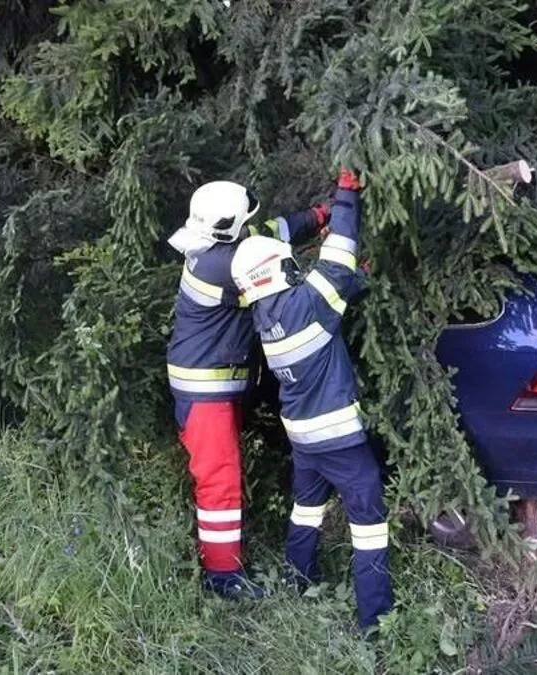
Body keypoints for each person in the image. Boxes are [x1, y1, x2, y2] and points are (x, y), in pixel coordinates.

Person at [229, 168, 393, 634]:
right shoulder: (302, 304)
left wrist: (357, 279)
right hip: (338, 438)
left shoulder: (267, 313)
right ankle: (376, 620)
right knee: (369, 523)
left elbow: (330, 296)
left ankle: (298, 577)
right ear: (276, 270)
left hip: (303, 437)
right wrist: (346, 193)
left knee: (306, 507)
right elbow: (337, 258)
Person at [165, 180, 329, 599]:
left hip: (217, 384)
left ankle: (224, 567)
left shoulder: (217, 244)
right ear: (230, 226)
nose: (251, 225)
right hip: (206, 391)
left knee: (223, 476)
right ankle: (222, 577)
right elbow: (286, 284)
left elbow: (270, 233)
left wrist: (319, 216)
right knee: (219, 481)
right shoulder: (224, 264)